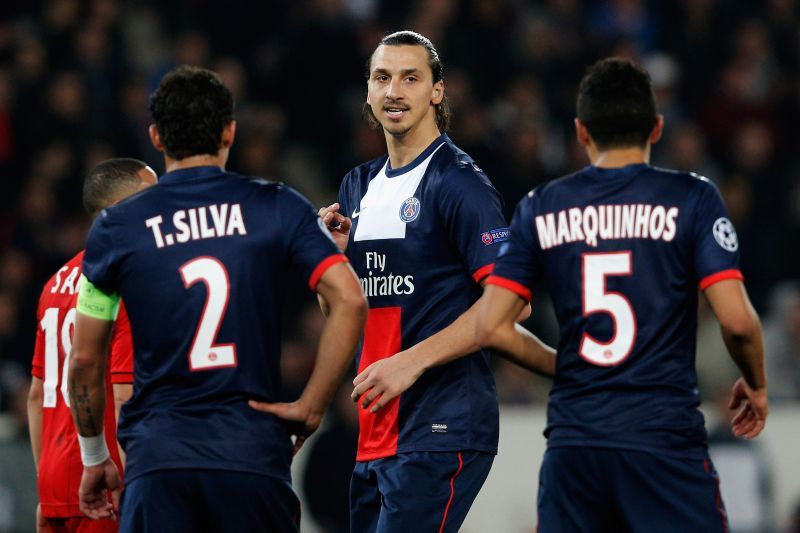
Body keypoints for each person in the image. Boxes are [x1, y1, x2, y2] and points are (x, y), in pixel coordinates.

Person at [67, 66, 367, 532]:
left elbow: (85, 359)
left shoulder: (116, 227)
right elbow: (350, 300)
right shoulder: (277, 206)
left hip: (159, 460)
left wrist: (93, 455)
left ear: (156, 137)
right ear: (230, 132)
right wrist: (312, 404)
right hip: (251, 457)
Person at [476, 58, 768, 531]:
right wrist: (755, 383)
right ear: (656, 128)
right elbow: (736, 321)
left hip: (576, 444)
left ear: (580, 132)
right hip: (662, 441)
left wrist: (570, 366)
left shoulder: (540, 206)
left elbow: (490, 327)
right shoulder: (693, 198)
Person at [319, 31, 554, 532]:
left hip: (442, 424)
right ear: (367, 91)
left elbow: (511, 306)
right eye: (382, 78)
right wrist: (336, 268)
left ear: (437, 92)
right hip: (377, 429)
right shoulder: (356, 186)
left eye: (410, 78)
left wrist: (410, 362)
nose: (394, 92)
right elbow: (353, 312)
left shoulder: (459, 183)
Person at [28, 158, 156, 533]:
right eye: (153, 197)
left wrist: (47, 489)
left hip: (57, 484)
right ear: (120, 209)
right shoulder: (124, 283)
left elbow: (37, 394)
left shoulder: (55, 282)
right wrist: (137, 492)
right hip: (108, 485)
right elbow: (123, 397)